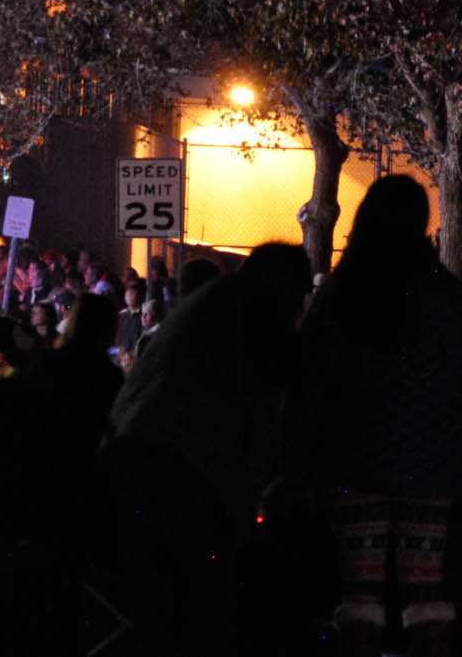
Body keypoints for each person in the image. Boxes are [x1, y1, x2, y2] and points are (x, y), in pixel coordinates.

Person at [283, 175, 462, 657]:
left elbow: (308, 379)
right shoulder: (446, 297)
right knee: (426, 592)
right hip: (432, 462)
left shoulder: (341, 293)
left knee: (360, 594)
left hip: (353, 461)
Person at [109, 241, 311, 654]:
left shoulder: (208, 305)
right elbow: (262, 425)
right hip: (178, 478)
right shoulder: (256, 320)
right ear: (285, 290)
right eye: (299, 298)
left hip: (126, 460)